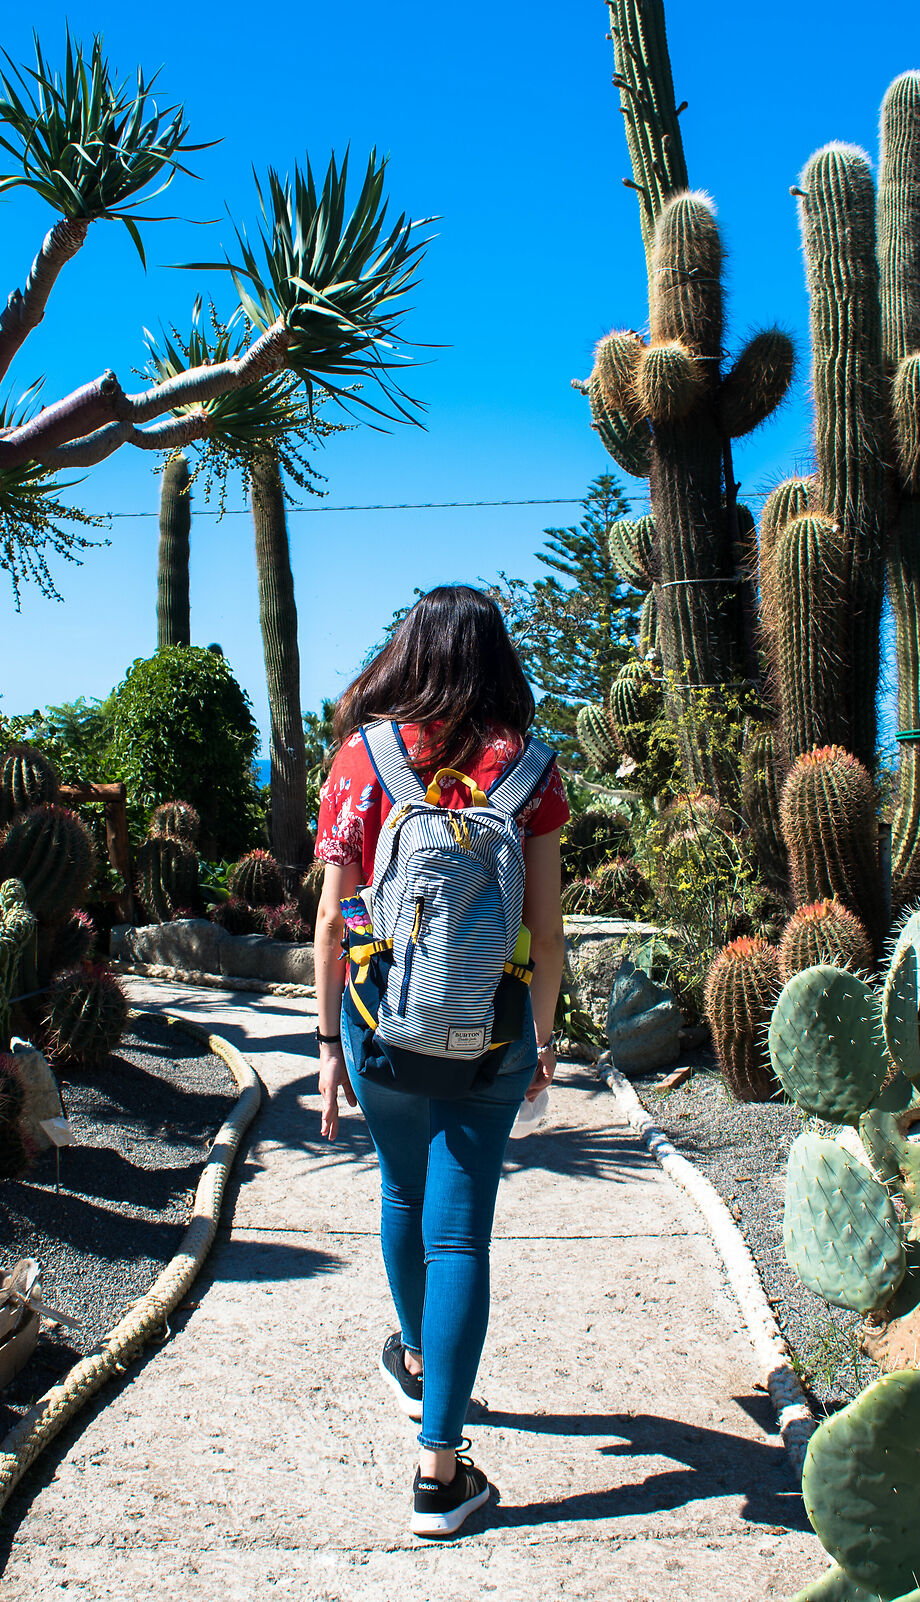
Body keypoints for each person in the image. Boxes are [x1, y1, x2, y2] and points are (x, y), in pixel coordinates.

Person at [310, 585, 569, 1539]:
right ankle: (439, 1468)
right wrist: (538, 1042)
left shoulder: (365, 757)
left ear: (408, 651)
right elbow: (544, 930)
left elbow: (334, 919)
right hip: (490, 1033)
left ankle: (418, 1356)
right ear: (496, 657)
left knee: (401, 1196)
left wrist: (329, 1044)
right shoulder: (531, 770)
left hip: (382, 1025)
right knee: (460, 1235)